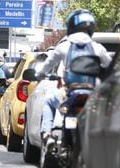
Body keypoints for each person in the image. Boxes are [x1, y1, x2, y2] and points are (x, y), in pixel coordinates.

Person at [36, 9, 112, 142]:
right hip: (92, 95)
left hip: (69, 94)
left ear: (71, 26)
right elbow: (110, 67)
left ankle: (47, 134)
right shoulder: (98, 48)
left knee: (48, 101)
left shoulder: (63, 46)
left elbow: (46, 66)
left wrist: (40, 75)